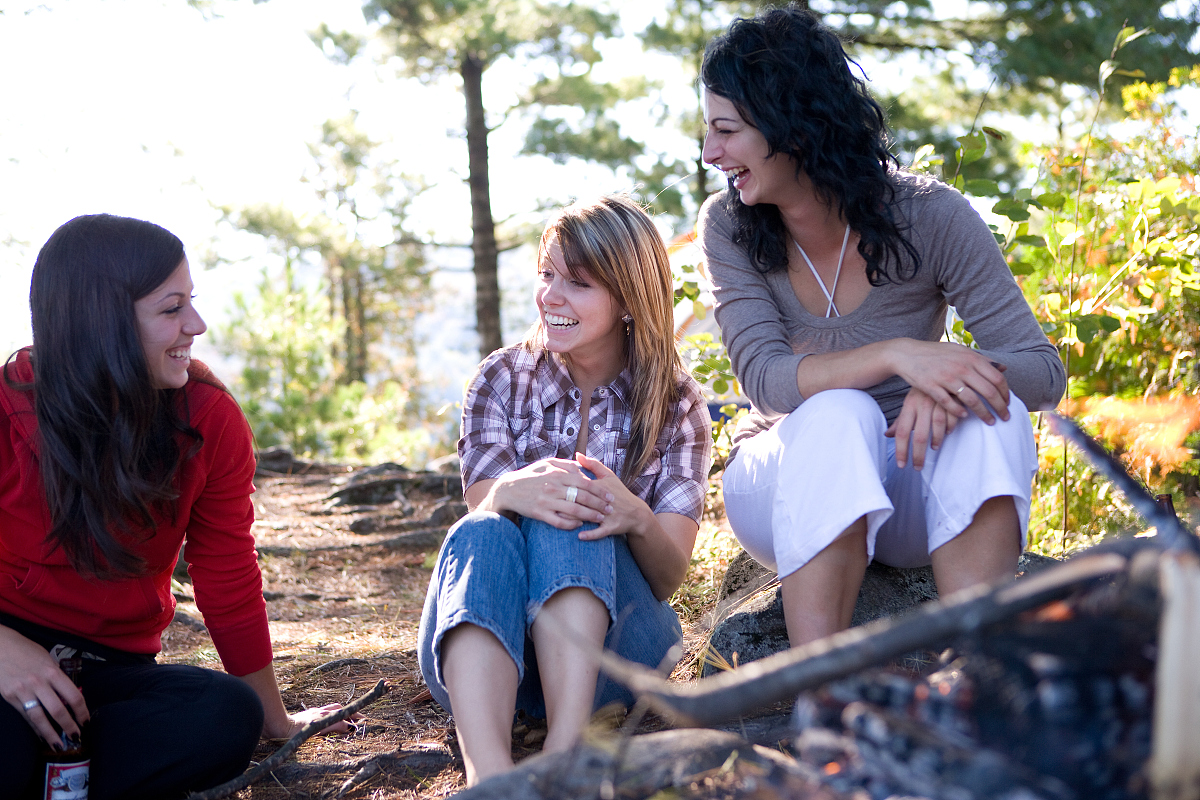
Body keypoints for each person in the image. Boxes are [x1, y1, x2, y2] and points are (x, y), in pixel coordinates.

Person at [697, 6, 1066, 649]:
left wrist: (950, 381)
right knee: (841, 414)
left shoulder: (932, 216)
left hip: (912, 479)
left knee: (991, 410)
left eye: (726, 131)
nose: (710, 153)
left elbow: (1042, 368)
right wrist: (903, 356)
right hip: (787, 480)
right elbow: (768, 382)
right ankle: (816, 694)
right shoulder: (728, 225)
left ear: (793, 128)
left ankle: (981, 679)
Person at [0, 214, 354, 800]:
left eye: (191, 303)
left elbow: (228, 573)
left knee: (223, 716)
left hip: (112, 676)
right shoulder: (7, 412)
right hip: (8, 658)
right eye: (171, 309)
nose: (197, 325)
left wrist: (276, 721)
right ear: (102, 322)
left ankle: (54, 780)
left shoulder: (208, 418)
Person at [418, 196, 712, 786]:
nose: (550, 296)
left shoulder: (675, 403)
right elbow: (483, 521)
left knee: (576, 499)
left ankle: (564, 754)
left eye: (576, 283)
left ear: (627, 297)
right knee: (488, 525)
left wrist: (634, 517)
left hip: (615, 653)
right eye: (546, 274)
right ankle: (490, 779)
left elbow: (669, 577)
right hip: (490, 644)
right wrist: (506, 496)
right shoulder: (501, 379)